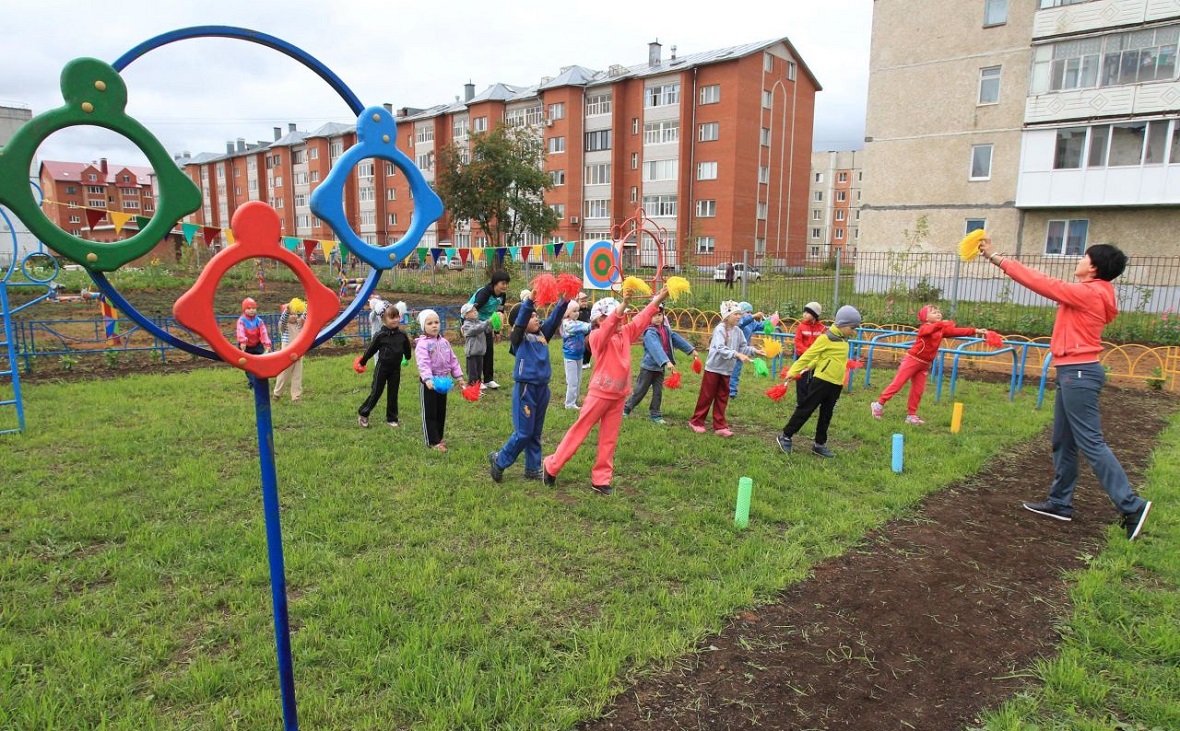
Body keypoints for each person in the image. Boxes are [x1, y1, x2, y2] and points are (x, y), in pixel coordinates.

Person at [978, 238, 1152, 541]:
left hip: (1079, 374)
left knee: (1091, 442)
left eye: (1084, 257)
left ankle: (1131, 505)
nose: (1079, 260)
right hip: (1074, 372)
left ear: (1094, 267)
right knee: (1063, 440)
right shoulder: (1096, 293)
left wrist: (996, 257)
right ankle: (1060, 502)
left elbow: (1041, 283)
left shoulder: (1090, 292)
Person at [542, 285, 672, 495]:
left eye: (622, 317)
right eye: (615, 317)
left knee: (609, 439)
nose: (622, 320)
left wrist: (659, 298)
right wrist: (623, 306)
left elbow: (643, 318)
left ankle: (601, 480)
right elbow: (610, 326)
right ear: (598, 320)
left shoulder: (625, 334)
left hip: (618, 396)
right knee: (579, 431)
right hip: (599, 394)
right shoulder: (596, 337)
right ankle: (552, 465)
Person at [488, 293, 568, 483]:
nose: (536, 317)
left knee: (535, 433)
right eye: (532, 316)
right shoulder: (519, 338)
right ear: (520, 323)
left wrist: (564, 300)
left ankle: (532, 468)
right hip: (526, 389)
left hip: (542, 390)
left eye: (536, 314)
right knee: (524, 432)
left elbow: (555, 317)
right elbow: (522, 319)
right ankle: (500, 460)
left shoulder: (542, 335)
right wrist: (529, 301)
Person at [870, 304, 985, 425]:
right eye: (934, 312)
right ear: (925, 317)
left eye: (939, 311)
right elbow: (930, 330)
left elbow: (957, 331)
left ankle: (911, 415)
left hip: (924, 364)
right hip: (912, 360)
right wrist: (941, 324)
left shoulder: (941, 329)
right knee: (897, 384)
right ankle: (878, 405)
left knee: (918, 390)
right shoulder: (925, 327)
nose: (938, 313)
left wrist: (975, 330)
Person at [776, 305, 862, 458]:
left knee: (826, 414)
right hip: (821, 381)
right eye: (852, 327)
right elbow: (809, 355)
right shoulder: (825, 338)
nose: (854, 331)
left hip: (835, 384)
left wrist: (813, 365)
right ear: (842, 324)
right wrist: (794, 371)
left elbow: (821, 359)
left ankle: (819, 444)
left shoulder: (843, 340)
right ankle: (786, 435)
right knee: (806, 408)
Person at [689, 300, 762, 437]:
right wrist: (737, 355)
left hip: (727, 370)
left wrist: (755, 351)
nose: (739, 316)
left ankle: (720, 426)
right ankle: (696, 422)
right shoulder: (720, 329)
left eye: (740, 314)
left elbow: (743, 348)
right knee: (707, 396)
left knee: (723, 397)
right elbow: (721, 348)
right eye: (736, 314)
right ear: (727, 316)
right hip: (714, 369)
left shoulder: (738, 331)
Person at [623, 303, 697, 424]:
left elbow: (676, 338)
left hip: (660, 368)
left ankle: (655, 414)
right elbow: (655, 348)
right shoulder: (649, 332)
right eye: (654, 315)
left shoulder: (665, 329)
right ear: (648, 318)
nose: (658, 318)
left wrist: (690, 349)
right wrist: (666, 361)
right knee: (640, 391)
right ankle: (626, 408)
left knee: (658, 392)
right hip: (648, 368)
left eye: (660, 315)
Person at [414, 309, 466, 451]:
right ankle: (432, 441)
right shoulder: (422, 344)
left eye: (436, 322)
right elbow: (423, 363)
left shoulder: (444, 342)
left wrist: (459, 377)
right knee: (430, 412)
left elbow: (453, 360)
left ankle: (439, 436)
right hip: (430, 383)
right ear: (423, 326)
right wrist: (428, 379)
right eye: (429, 323)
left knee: (440, 411)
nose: (434, 325)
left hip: (443, 382)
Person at [356, 301, 412, 428]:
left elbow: (407, 347)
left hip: (395, 369)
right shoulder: (380, 335)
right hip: (382, 368)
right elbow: (371, 350)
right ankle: (363, 413)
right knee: (376, 392)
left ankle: (392, 418)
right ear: (384, 319)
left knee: (393, 393)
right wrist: (363, 361)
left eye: (397, 317)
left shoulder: (402, 335)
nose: (395, 320)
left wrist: (408, 356)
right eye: (391, 317)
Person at [467, 271, 511, 389]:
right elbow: (472, 310)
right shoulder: (485, 293)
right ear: (495, 283)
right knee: (477, 352)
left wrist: (497, 331)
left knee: (488, 350)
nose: (505, 286)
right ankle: (476, 380)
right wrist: (468, 327)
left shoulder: (502, 295)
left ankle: (488, 379)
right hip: (475, 323)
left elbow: (499, 312)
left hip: (487, 322)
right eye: (503, 283)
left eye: (506, 283)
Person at [272, 297, 307, 402]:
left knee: (297, 375)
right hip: (287, 352)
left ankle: (296, 396)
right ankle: (277, 394)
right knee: (284, 374)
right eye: (291, 314)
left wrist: (308, 307)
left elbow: (306, 315)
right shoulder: (284, 326)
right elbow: (283, 319)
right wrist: (287, 310)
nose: (294, 316)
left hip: (298, 352)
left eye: (295, 313)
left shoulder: (299, 323)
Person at [560, 298, 593, 409]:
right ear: (567, 312)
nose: (577, 313)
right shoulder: (567, 324)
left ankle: (574, 401)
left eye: (577, 310)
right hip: (570, 357)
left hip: (579, 356)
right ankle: (569, 404)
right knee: (572, 381)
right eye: (574, 311)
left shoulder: (576, 322)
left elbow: (584, 325)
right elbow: (585, 327)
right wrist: (595, 324)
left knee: (578, 380)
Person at [792, 301, 828, 403]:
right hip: (803, 358)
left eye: (808, 312)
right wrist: (809, 353)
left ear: (815, 315)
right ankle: (801, 401)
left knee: (815, 381)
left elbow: (824, 343)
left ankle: (811, 400)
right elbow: (798, 344)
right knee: (801, 380)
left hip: (817, 360)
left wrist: (816, 355)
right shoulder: (800, 327)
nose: (804, 314)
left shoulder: (822, 328)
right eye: (804, 312)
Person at [728, 302, 765, 398]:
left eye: (751, 312)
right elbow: (743, 321)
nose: (749, 313)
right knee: (728, 371)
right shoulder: (739, 322)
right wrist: (753, 316)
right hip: (732, 350)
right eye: (747, 312)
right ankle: (725, 389)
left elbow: (760, 326)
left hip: (743, 351)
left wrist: (771, 319)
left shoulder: (752, 323)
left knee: (736, 371)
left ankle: (732, 392)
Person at [236, 297, 272, 389]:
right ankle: (254, 383)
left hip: (257, 344)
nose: (251, 310)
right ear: (244, 310)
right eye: (249, 308)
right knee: (248, 366)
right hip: (246, 346)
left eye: (253, 308)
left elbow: (263, 333)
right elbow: (240, 331)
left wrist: (266, 344)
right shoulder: (242, 320)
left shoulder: (259, 321)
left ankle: (262, 380)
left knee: (262, 362)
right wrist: (242, 341)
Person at [460, 302, 492, 387]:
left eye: (475, 310)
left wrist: (492, 323)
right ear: (466, 315)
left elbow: (487, 330)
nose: (475, 312)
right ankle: (472, 386)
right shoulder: (466, 325)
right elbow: (475, 330)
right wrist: (486, 322)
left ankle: (478, 383)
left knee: (478, 370)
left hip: (480, 351)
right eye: (472, 311)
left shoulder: (479, 322)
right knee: (472, 372)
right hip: (472, 353)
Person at [578, 292, 593, 369]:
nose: (584, 303)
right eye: (582, 301)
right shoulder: (577, 311)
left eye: (585, 301)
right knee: (582, 348)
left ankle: (587, 361)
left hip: (589, 333)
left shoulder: (588, 310)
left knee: (589, 348)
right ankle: (583, 362)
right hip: (580, 333)